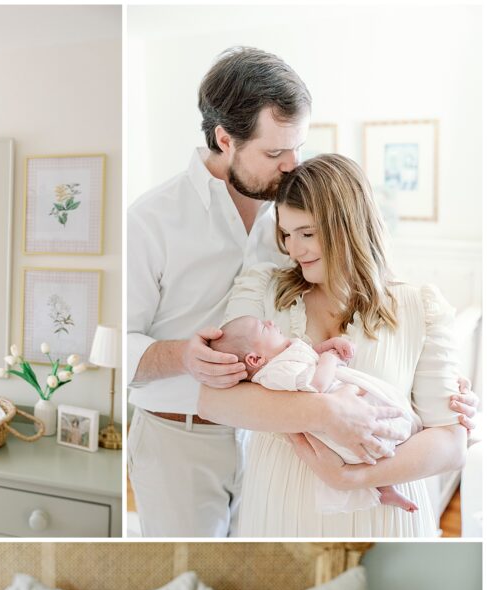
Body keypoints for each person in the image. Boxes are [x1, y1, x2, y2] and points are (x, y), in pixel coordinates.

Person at [127, 47, 478, 538]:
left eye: (298, 147)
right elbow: (119, 347)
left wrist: (452, 402)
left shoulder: (284, 202)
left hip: (265, 439)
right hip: (180, 434)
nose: (292, 164)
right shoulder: (151, 220)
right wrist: (186, 357)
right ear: (225, 139)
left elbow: (446, 432)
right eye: (275, 153)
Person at [199, 155, 472, 537]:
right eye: (286, 234)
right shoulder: (262, 291)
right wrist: (325, 412)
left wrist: (351, 477)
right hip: (281, 508)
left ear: (348, 226)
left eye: (307, 234)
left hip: (385, 518)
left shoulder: (421, 309)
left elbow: (450, 443)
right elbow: (213, 401)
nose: (294, 250)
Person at [211, 316, 420, 513]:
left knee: (378, 437)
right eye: (264, 327)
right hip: (335, 424)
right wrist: (329, 359)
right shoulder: (274, 373)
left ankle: (386, 490)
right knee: (378, 436)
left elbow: (307, 360)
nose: (271, 321)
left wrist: (329, 347)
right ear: (255, 359)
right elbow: (316, 385)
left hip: (343, 412)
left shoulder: (282, 359)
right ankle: (385, 487)